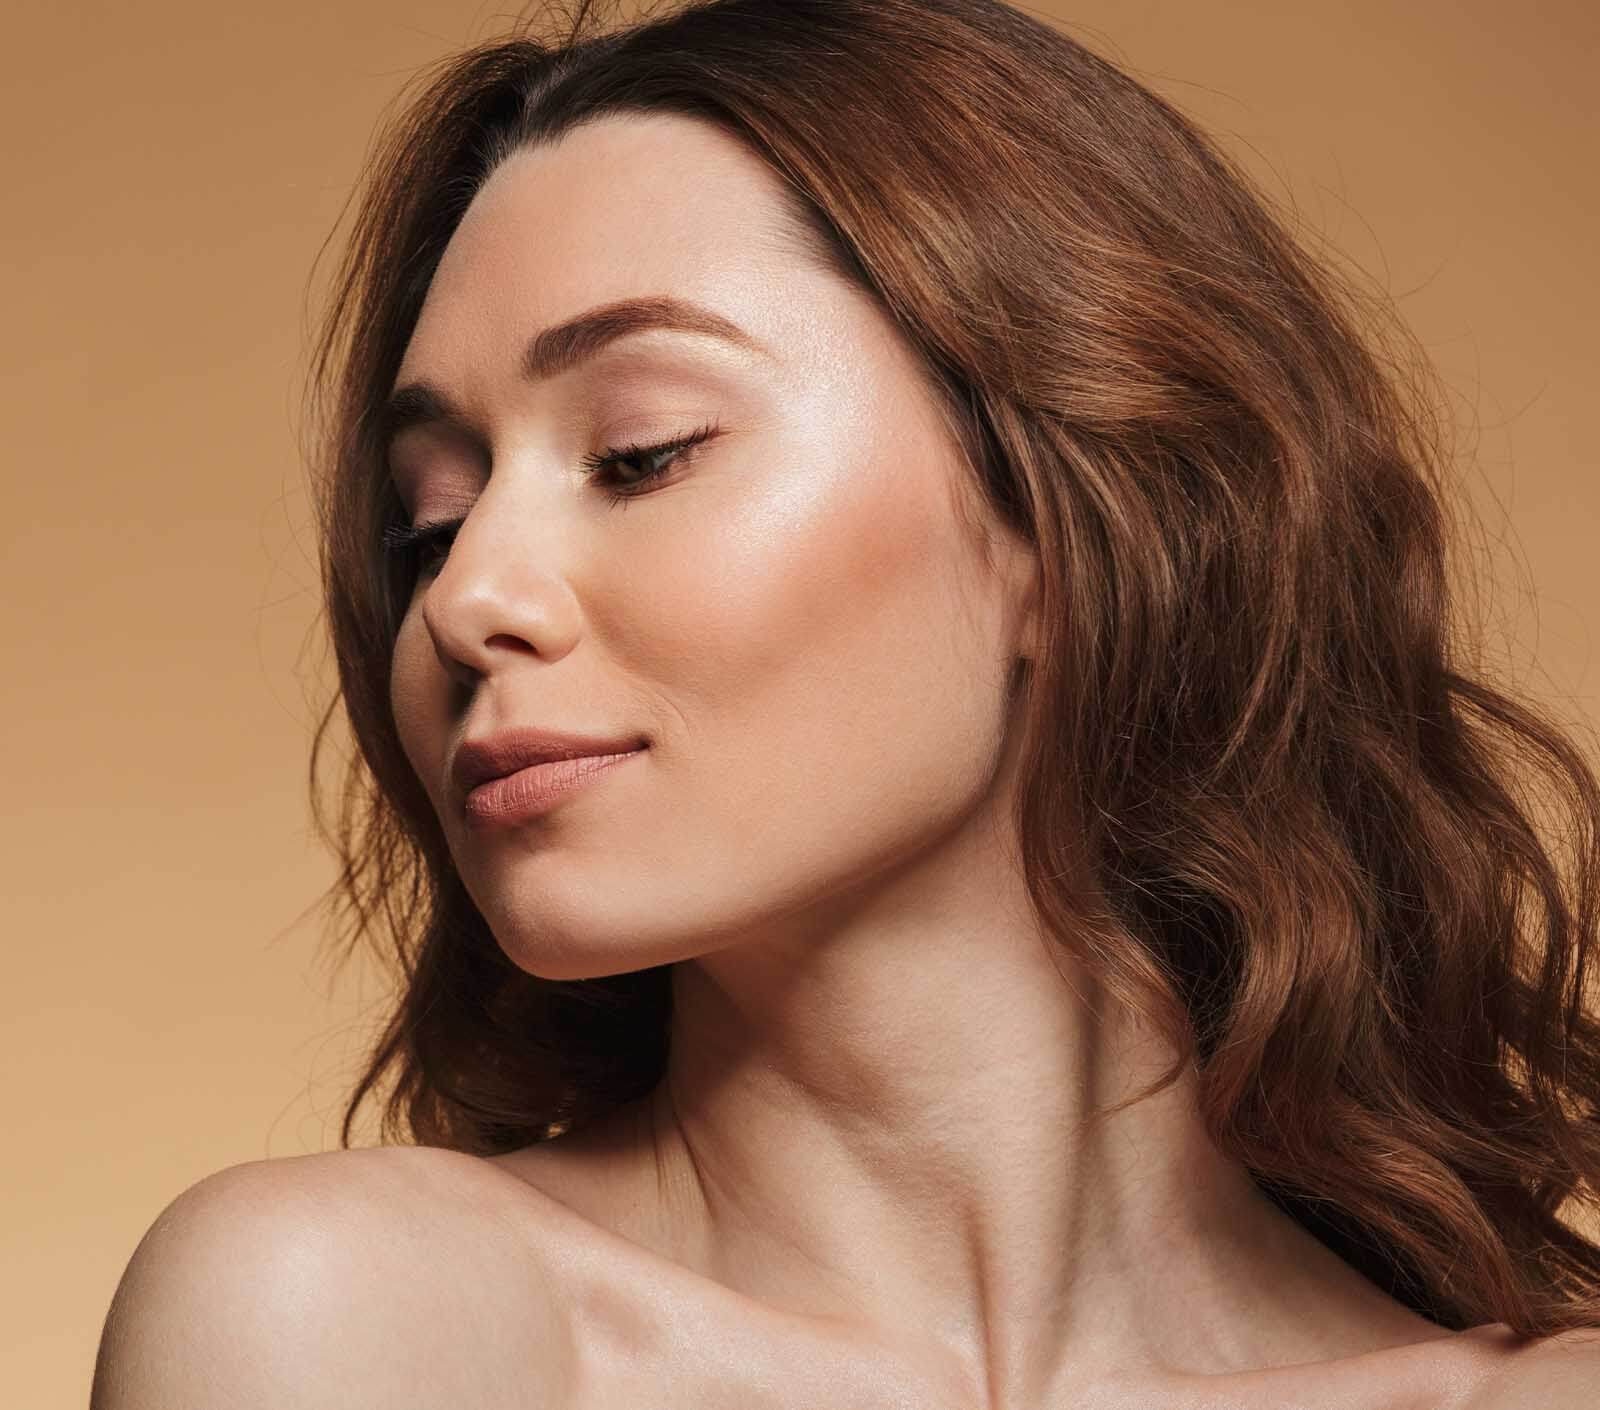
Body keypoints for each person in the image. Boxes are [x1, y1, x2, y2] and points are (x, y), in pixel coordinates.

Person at [92, 1, 1600, 1404]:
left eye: (640, 453)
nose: (465, 597)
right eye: (429, 522)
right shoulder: (349, 1324)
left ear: (1075, 522)